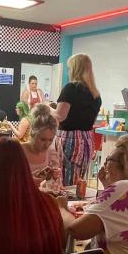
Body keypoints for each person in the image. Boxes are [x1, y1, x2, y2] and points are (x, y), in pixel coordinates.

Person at [55, 54, 102, 186]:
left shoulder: (71, 88)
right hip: (87, 139)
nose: (68, 72)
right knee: (78, 181)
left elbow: (60, 116)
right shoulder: (95, 94)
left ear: (75, 69)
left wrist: (47, 108)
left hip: (70, 139)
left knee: (66, 179)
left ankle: (64, 205)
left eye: (70, 68)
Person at [21, 103, 63, 186]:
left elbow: (56, 185)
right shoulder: (20, 151)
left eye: (50, 140)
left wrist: (54, 177)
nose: (47, 144)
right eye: (42, 139)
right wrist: (30, 179)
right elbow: (11, 181)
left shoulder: (51, 153)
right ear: (33, 133)